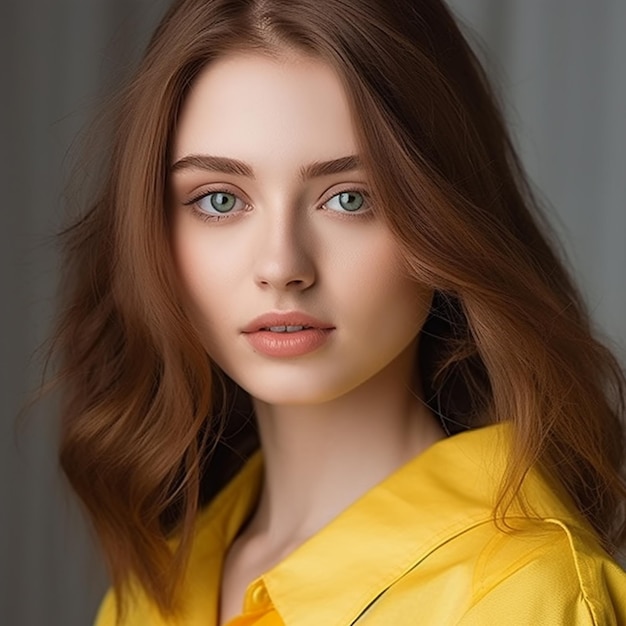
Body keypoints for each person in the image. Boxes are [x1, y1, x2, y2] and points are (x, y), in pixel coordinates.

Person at [51, 0, 626, 624]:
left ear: (444, 218)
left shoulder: (524, 595)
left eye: (348, 198)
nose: (281, 264)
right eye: (219, 200)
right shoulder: (150, 594)